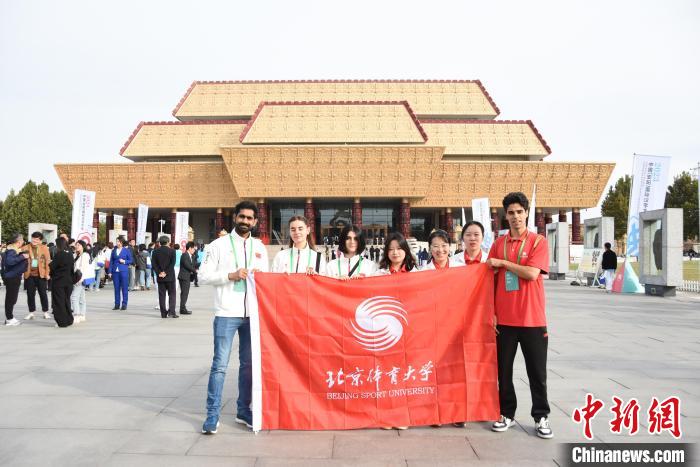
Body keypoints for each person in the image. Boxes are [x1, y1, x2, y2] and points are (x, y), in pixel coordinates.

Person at [486, 192, 553, 439]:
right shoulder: (498, 244)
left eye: (519, 212)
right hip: (504, 320)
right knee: (503, 372)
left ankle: (541, 416)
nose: (515, 217)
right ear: (505, 216)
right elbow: (489, 281)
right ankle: (507, 414)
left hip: (532, 319)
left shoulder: (538, 242)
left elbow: (532, 274)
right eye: (511, 213)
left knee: (537, 372)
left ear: (526, 213)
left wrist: (503, 264)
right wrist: (492, 312)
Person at [199, 201, 269, 434]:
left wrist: (259, 276)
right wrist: (231, 275)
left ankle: (243, 410)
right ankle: (212, 414)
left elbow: (268, 279)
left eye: (250, 218)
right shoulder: (218, 245)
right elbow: (203, 276)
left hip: (252, 315)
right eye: (242, 217)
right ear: (235, 217)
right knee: (220, 365)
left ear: (255, 222)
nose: (245, 221)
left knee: (248, 366)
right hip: (227, 313)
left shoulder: (259, 247)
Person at [22, 231, 52, 320]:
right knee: (30, 294)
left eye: (37, 239)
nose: (34, 241)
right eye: (33, 238)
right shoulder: (25, 247)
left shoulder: (44, 248)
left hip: (41, 275)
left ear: (40, 240)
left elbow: (47, 261)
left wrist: (47, 273)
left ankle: (45, 312)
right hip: (29, 274)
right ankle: (31, 312)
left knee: (43, 294)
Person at [3, 234, 29, 326]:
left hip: (13, 276)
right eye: (22, 240)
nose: (23, 242)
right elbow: (10, 262)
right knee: (11, 298)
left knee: (12, 298)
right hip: (12, 277)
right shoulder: (12, 250)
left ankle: (9, 317)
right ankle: (9, 318)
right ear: (18, 242)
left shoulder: (14, 250)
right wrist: (22, 257)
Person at [49, 237, 75, 328]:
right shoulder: (70, 254)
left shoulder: (59, 254)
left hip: (59, 281)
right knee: (66, 301)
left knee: (59, 302)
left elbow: (52, 267)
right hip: (68, 281)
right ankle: (69, 319)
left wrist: (50, 265)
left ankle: (62, 321)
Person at [152, 236, 178, 318]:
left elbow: (154, 264)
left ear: (160, 242)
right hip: (170, 276)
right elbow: (172, 264)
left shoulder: (155, 251)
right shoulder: (172, 251)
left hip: (160, 277)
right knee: (172, 294)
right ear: (168, 242)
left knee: (162, 295)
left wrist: (159, 272)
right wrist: (165, 272)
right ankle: (171, 312)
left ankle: (163, 313)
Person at [108, 236, 133, 311]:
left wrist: (124, 261)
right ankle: (117, 304)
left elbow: (131, 260)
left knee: (124, 288)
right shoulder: (114, 250)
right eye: (116, 241)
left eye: (118, 241)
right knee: (116, 288)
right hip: (115, 272)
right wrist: (109, 271)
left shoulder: (126, 250)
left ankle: (124, 304)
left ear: (121, 242)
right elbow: (111, 261)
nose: (117, 243)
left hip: (124, 271)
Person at [71, 240, 93, 323]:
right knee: (81, 298)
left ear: (83, 246)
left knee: (74, 297)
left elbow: (84, 269)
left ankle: (76, 315)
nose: (77, 246)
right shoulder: (76, 255)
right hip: (76, 278)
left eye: (79, 245)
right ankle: (82, 315)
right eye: (76, 245)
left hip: (80, 279)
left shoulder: (85, 255)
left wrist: (80, 280)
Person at [178, 241, 196, 315]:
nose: (194, 250)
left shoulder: (191, 256)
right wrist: (195, 270)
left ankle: (183, 308)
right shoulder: (184, 255)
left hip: (187, 277)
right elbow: (187, 265)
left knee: (185, 293)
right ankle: (182, 309)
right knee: (184, 293)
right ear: (190, 248)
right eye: (193, 248)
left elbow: (192, 264)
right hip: (184, 276)